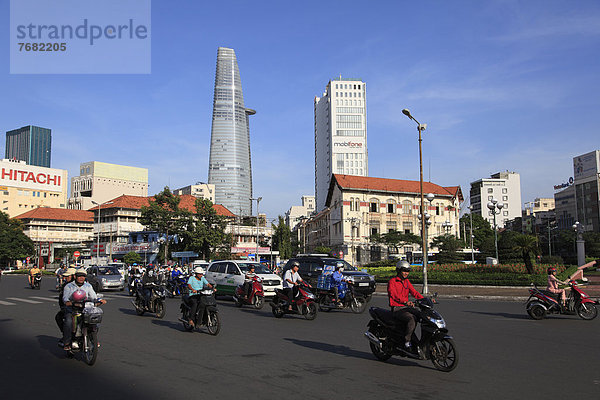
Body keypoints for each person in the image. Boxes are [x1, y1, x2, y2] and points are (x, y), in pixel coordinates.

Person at [62, 268, 106, 351]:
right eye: (79, 276)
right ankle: (67, 342)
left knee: (94, 320)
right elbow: (65, 298)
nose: (81, 278)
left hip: (85, 309)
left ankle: (93, 338)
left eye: (83, 276)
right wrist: (68, 302)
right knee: (68, 322)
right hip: (72, 309)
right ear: (75, 276)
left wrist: (99, 300)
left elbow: (93, 297)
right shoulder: (69, 286)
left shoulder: (88, 286)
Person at [387, 260, 424, 353]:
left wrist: (424, 299)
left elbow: (414, 292)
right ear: (398, 271)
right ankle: (407, 341)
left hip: (406, 308)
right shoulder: (392, 282)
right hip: (397, 308)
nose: (406, 273)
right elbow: (393, 295)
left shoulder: (407, 282)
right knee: (411, 319)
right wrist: (405, 302)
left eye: (407, 271)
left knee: (422, 315)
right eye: (404, 271)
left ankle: (420, 341)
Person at [55, 267, 76, 344]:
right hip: (69, 308)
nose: (65, 278)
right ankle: (66, 335)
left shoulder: (86, 285)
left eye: (67, 276)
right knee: (60, 317)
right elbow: (63, 298)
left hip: (82, 308)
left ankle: (92, 338)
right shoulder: (66, 286)